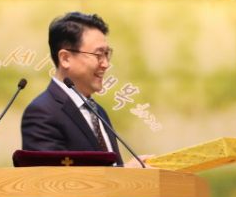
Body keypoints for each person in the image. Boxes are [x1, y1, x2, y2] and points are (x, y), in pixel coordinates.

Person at [21, 11, 145, 167]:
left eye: (106, 54)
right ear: (65, 58)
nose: (105, 64)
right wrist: (125, 172)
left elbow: (109, 168)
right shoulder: (42, 113)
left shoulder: (98, 112)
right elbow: (54, 178)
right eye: (98, 54)